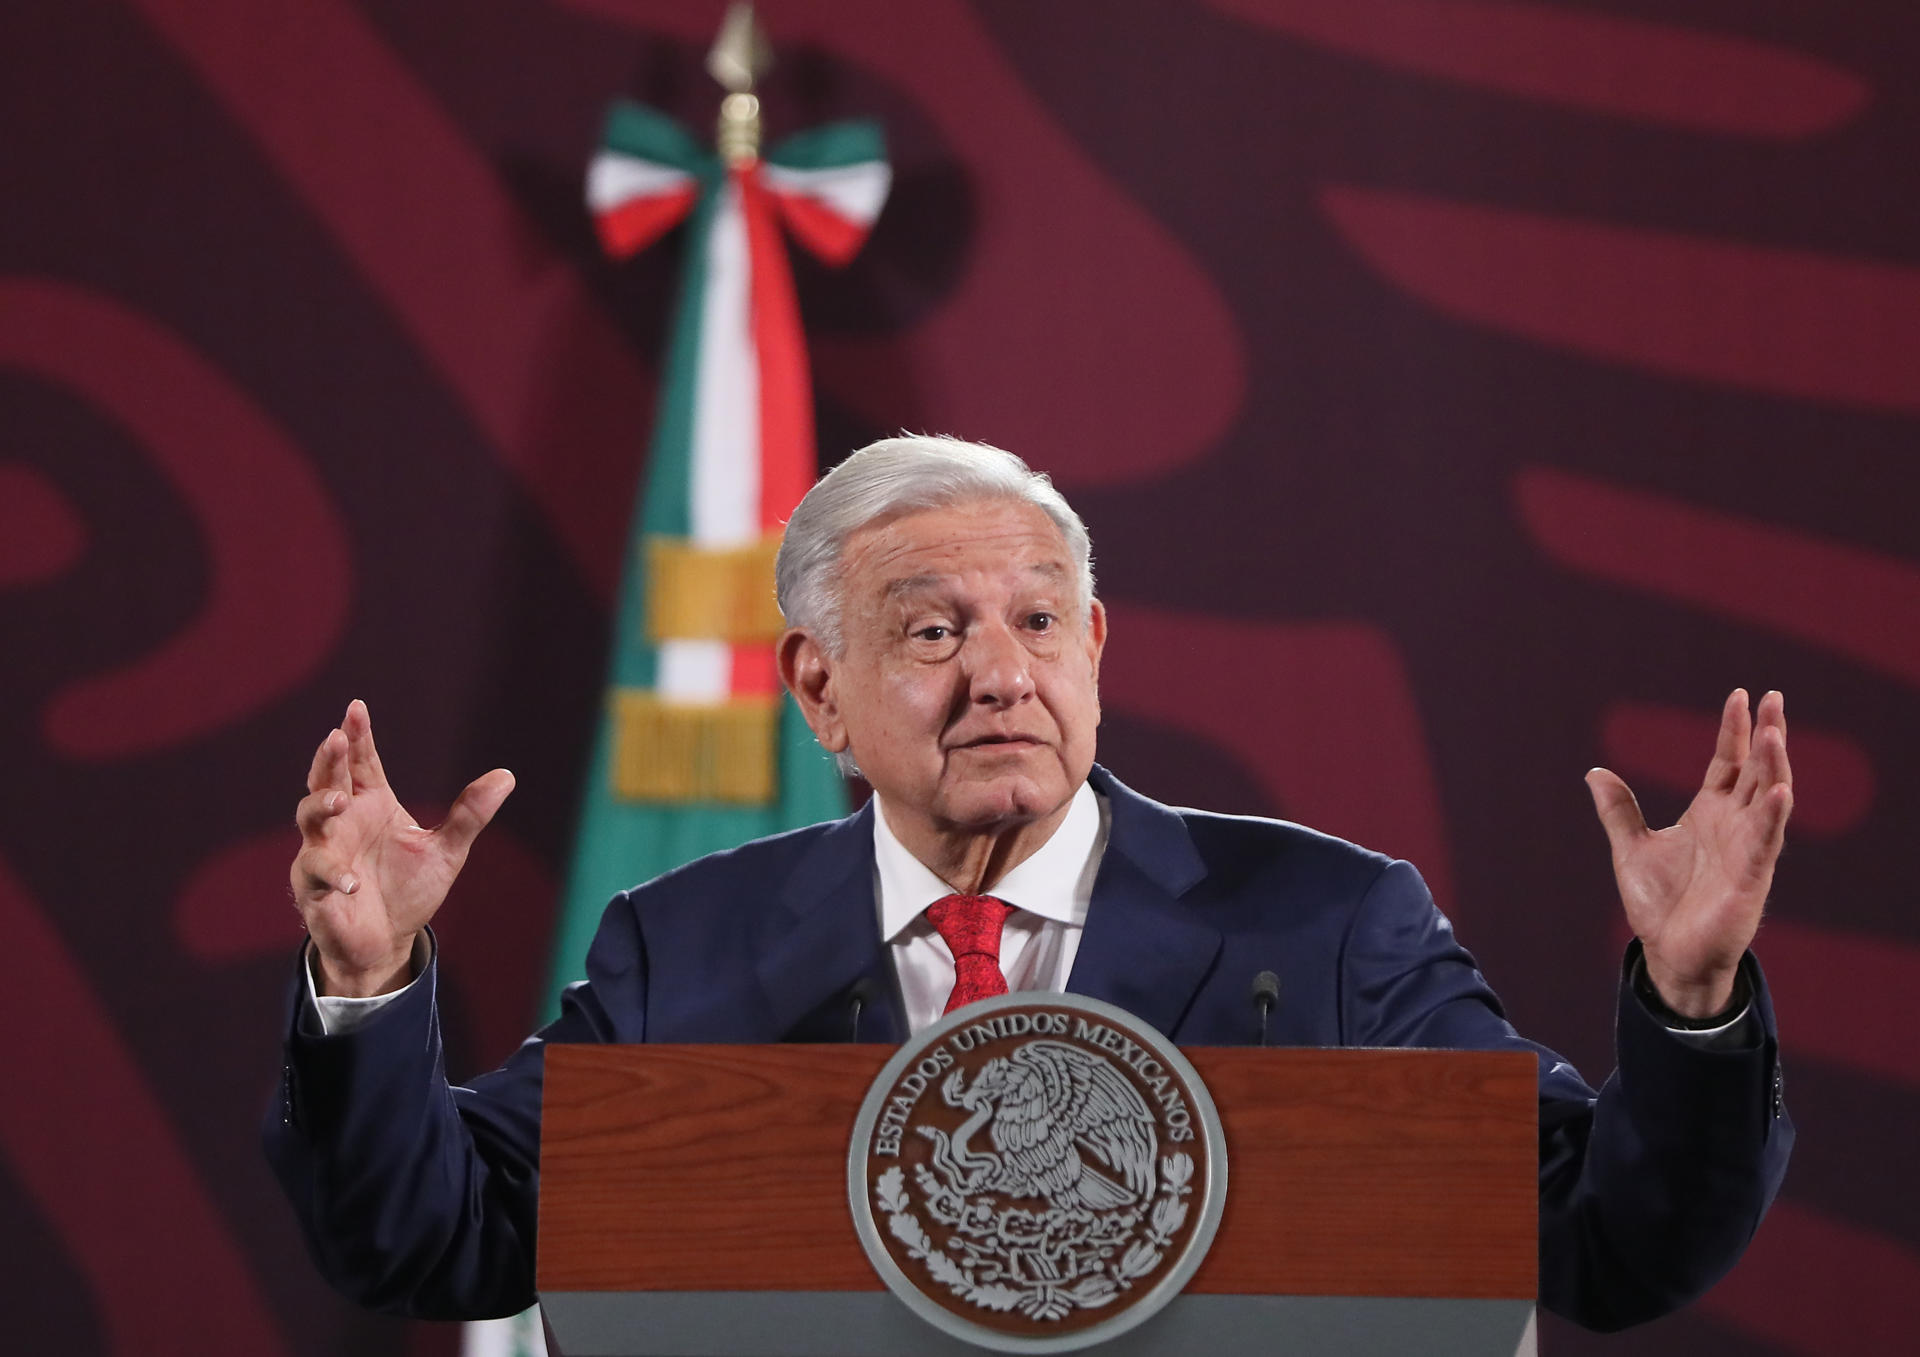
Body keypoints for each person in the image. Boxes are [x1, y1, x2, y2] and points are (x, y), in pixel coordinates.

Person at [267, 436, 1794, 1331]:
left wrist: (1693, 997)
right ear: (819, 688)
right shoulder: (694, 946)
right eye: (933, 632)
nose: (1002, 674)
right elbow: (435, 1236)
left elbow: (1603, 1239)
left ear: (1097, 651)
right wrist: (364, 985)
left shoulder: (1324, 928)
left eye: (1041, 622)